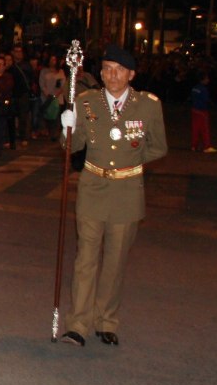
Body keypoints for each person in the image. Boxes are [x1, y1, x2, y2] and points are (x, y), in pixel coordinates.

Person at [59, 44, 168, 347]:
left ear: (131, 74)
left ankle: (106, 320)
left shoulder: (147, 105)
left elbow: (159, 146)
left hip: (126, 191)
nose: (112, 75)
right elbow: (73, 146)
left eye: (119, 69)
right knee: (86, 259)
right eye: (107, 68)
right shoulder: (87, 101)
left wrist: (132, 160)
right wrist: (66, 128)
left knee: (115, 260)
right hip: (93, 187)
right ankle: (78, 324)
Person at [189, 70, 217, 152]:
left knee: (195, 129)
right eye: (207, 78)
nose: (208, 80)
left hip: (194, 110)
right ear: (203, 79)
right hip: (202, 111)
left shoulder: (194, 88)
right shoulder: (203, 89)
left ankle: (194, 145)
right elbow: (206, 100)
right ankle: (207, 146)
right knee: (204, 129)